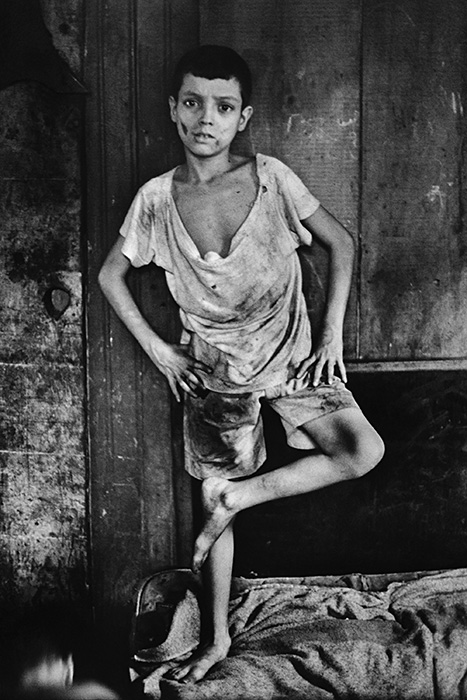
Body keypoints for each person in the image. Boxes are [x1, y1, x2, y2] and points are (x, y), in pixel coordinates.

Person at [98, 44, 385, 684]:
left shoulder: (272, 179)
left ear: (242, 117)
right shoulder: (155, 200)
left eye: (223, 107)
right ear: (174, 109)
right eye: (193, 102)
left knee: (362, 451)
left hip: (293, 359)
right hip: (215, 374)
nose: (207, 118)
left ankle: (241, 495)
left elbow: (341, 243)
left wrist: (331, 336)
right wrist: (158, 348)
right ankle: (219, 636)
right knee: (211, 502)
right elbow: (110, 275)